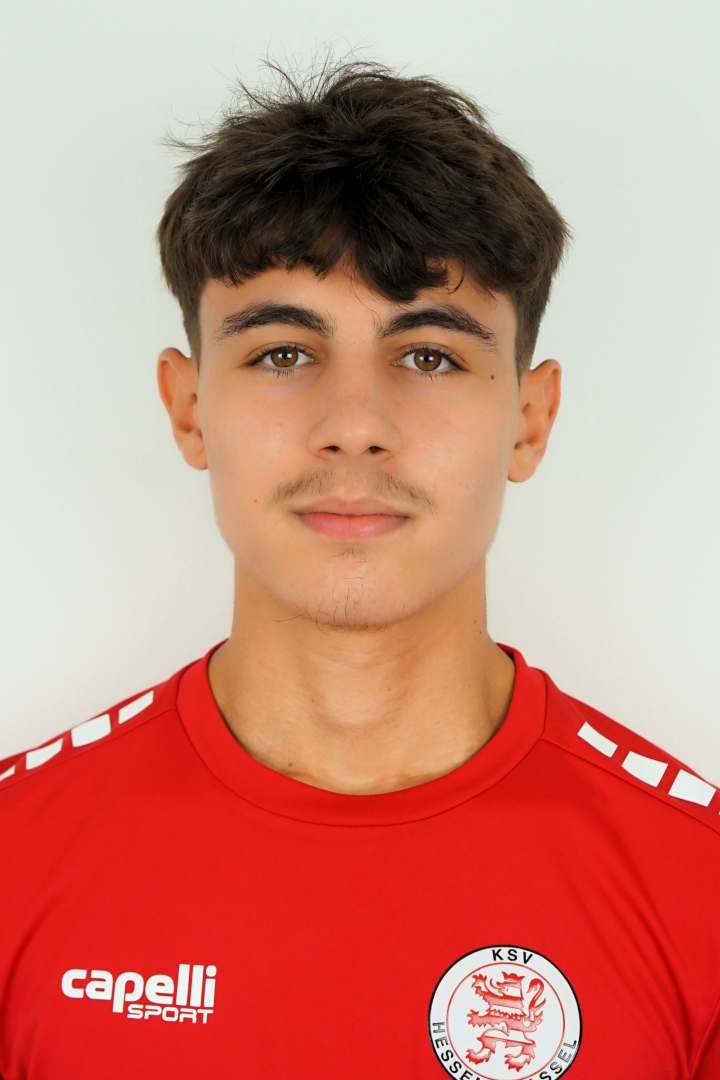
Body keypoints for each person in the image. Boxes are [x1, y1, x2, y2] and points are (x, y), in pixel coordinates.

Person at [1, 60, 718, 1080]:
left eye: (428, 355)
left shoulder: (700, 889)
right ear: (189, 408)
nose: (353, 426)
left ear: (530, 418)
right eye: (283, 353)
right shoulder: (16, 860)